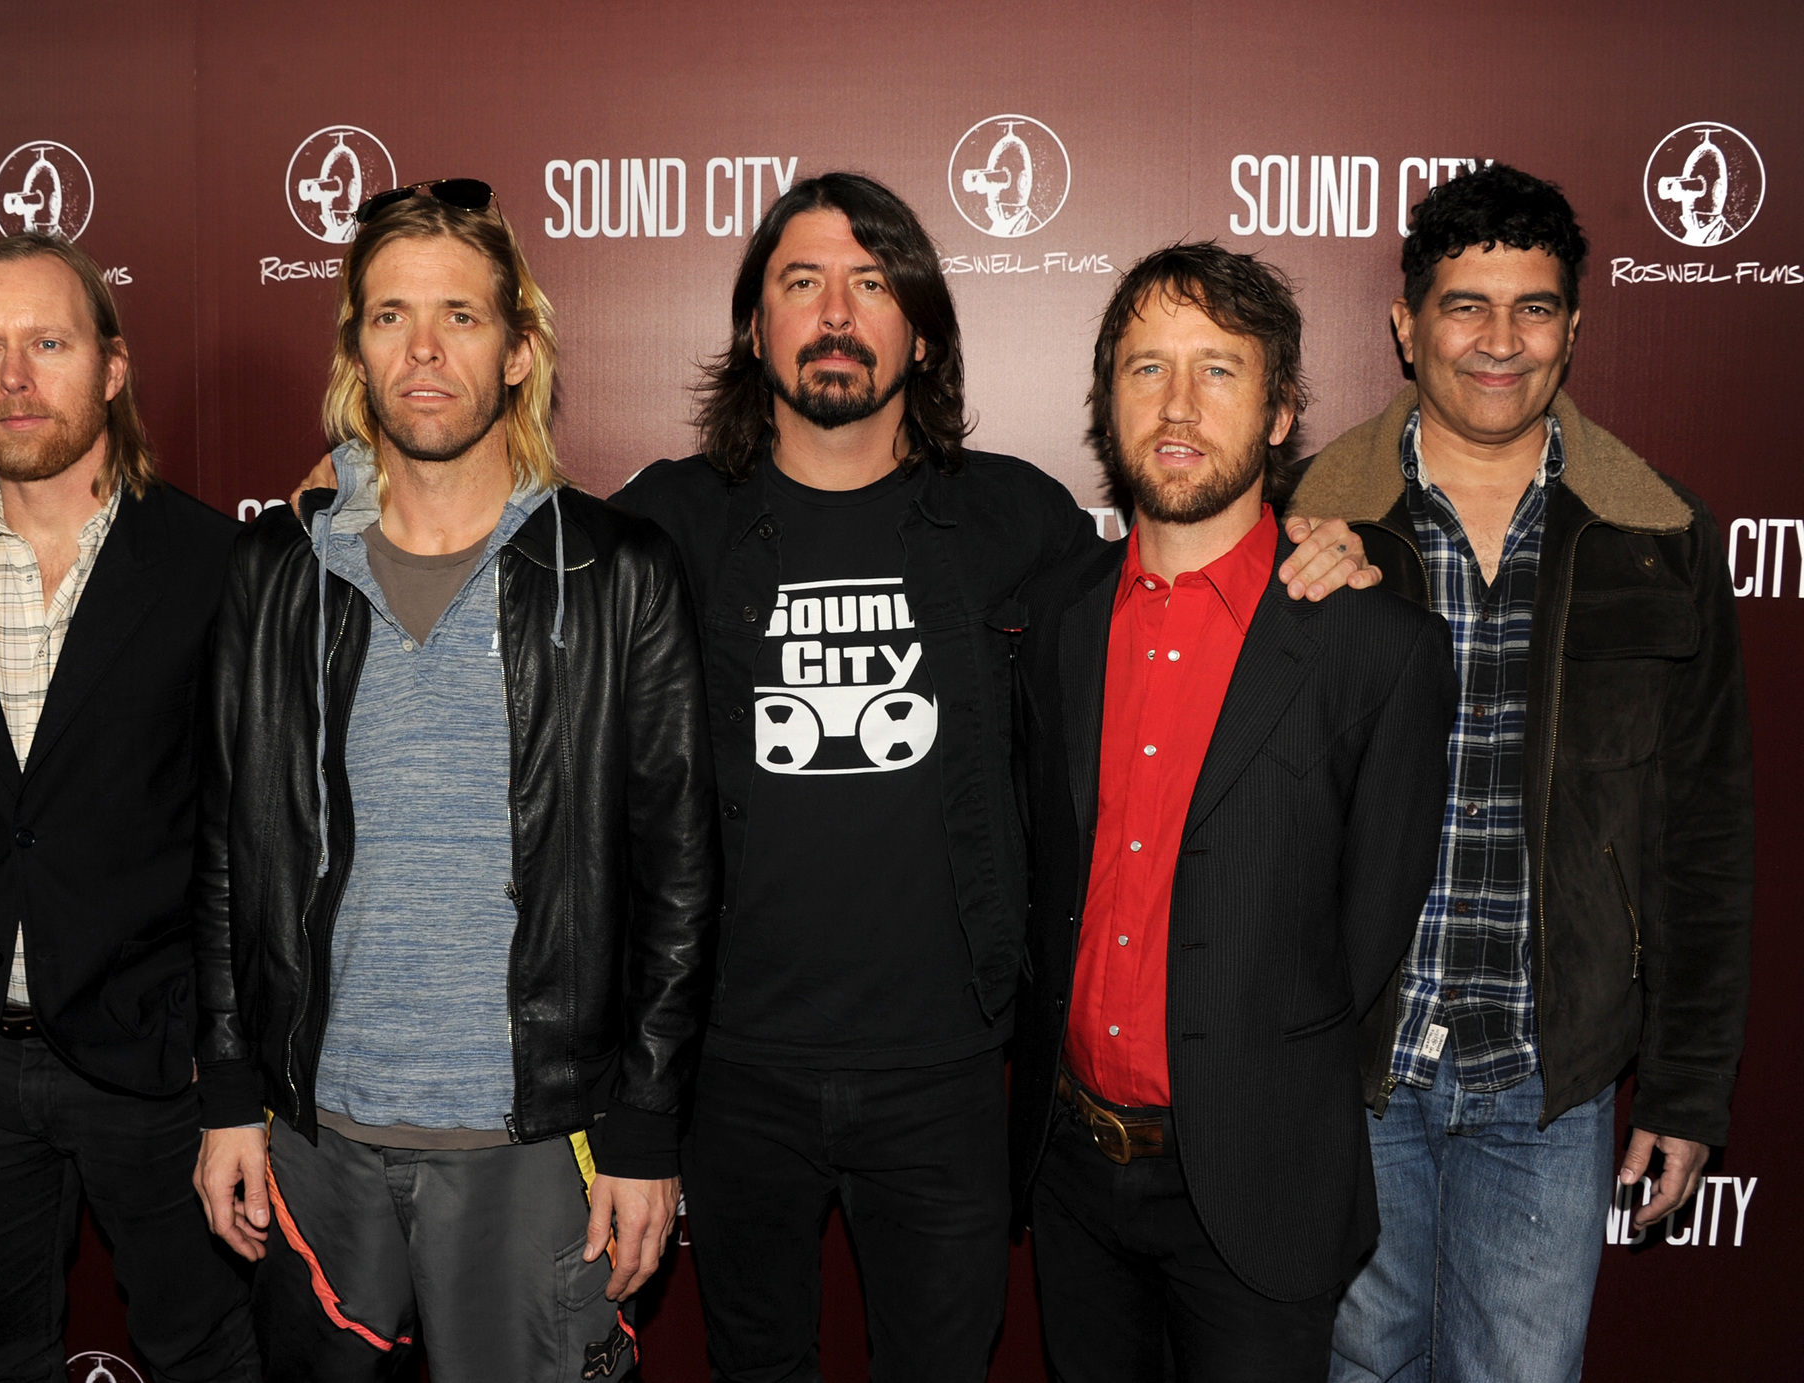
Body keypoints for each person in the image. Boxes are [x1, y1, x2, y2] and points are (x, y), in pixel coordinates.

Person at [611, 175, 1378, 1383]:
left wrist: (1341, 530)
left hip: (950, 1076)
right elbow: (513, 569)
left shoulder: (1017, 523)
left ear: (920, 329)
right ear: (752, 328)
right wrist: (352, 509)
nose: (834, 313)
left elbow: (1187, 558)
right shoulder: (661, 524)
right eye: (799, 283)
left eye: (871, 284)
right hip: (734, 1069)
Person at [190, 180, 719, 1382]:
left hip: (536, 1138)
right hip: (312, 1135)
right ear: (354, 349)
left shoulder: (618, 570)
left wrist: (643, 1125)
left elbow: (679, 877)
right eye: (388, 316)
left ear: (519, 348)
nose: (422, 349)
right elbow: (229, 846)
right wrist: (227, 1092)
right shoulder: (276, 569)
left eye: (460, 316)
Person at [1290, 164, 1755, 1383]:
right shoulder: (1302, 528)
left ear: (1573, 328)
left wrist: (1689, 1088)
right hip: (1352, 1073)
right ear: (1403, 324)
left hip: (1549, 1087)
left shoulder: (1656, 537)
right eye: (1463, 305)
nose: (1498, 343)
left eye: (1533, 308)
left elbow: (1704, 835)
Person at [1009, 241, 1458, 1383]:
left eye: (1217, 370)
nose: (1175, 404)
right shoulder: (1053, 626)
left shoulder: (1373, 645)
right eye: (1143, 368)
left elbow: (1365, 944)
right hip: (1069, 1174)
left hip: (1259, 1183)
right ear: (1103, 401)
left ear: (1278, 412)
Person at [0, 232, 257, 1382]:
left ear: (111, 371)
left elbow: (245, 827)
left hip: (155, 1064)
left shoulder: (212, 561)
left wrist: (220, 1054)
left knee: (209, 1351)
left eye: (47, 343)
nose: (13, 376)